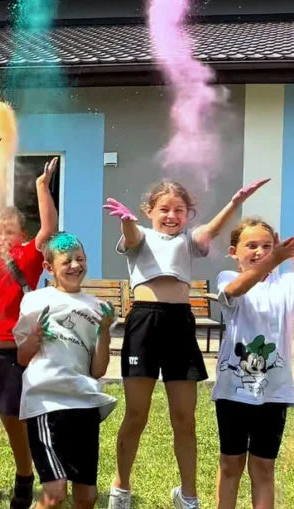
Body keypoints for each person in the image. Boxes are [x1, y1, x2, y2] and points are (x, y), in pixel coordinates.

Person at [105, 178, 268, 509]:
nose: (171, 215)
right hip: (144, 323)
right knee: (137, 414)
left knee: (185, 417)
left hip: (179, 325)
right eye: (163, 209)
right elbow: (133, 237)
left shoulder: (188, 241)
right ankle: (120, 487)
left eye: (179, 210)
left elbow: (211, 229)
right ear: (149, 211)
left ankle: (188, 495)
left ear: (187, 215)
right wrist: (127, 222)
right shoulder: (141, 235)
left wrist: (235, 201)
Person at [0, 157, 59, 509]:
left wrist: (42, 187)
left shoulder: (27, 256)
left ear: (22, 236)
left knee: (13, 420)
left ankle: (24, 476)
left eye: (10, 231)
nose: (2, 236)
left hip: (12, 352)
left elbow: (49, 230)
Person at [14, 233, 117, 509]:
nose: (75, 265)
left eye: (80, 259)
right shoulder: (36, 301)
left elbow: (98, 369)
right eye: (66, 261)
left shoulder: (96, 307)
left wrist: (105, 331)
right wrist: (33, 337)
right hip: (46, 403)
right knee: (55, 493)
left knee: (87, 497)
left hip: (83, 404)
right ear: (49, 268)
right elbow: (22, 358)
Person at [213, 218, 294, 509]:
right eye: (252, 245)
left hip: (274, 392)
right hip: (233, 391)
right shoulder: (226, 278)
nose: (260, 251)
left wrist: (282, 260)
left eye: (267, 245)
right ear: (234, 252)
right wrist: (276, 257)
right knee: (230, 464)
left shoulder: (286, 284)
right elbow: (236, 290)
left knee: (263, 467)